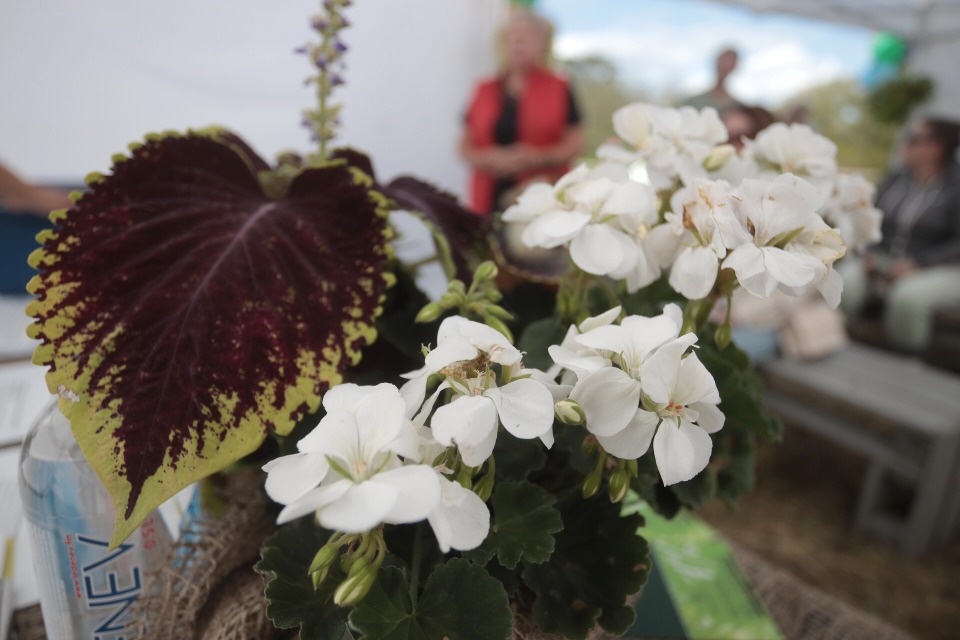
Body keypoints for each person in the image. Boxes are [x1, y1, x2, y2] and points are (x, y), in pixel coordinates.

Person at [840, 117, 960, 352]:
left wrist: (918, 264)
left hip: (942, 267)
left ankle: (907, 363)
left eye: (913, 139)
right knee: (846, 282)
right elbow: (872, 221)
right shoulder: (897, 178)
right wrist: (870, 253)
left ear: (937, 147)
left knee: (907, 299)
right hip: (888, 258)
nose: (904, 144)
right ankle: (839, 343)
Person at [459, 10, 584, 215]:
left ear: (543, 44)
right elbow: (464, 145)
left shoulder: (560, 87)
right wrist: (490, 158)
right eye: (513, 35)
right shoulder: (484, 89)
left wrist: (537, 158)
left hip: (541, 194)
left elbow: (576, 142)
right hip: (488, 197)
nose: (519, 42)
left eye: (528, 36)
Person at [682, 48, 742, 114]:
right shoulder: (692, 102)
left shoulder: (738, 108)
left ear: (734, 67)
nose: (725, 65)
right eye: (723, 60)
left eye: (730, 62)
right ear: (716, 62)